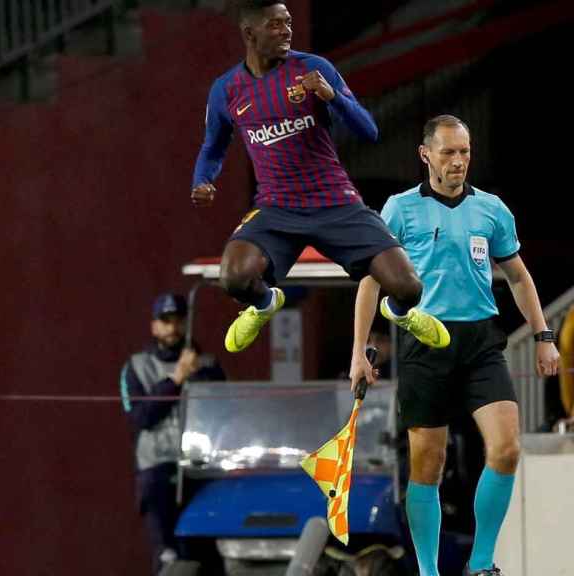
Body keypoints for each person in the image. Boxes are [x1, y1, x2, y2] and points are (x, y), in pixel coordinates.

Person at [350, 115, 559, 576]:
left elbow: (519, 277)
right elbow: (370, 282)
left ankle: (481, 563)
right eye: (448, 152)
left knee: (506, 449)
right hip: (424, 344)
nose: (459, 161)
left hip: (481, 341)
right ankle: (428, 570)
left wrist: (544, 335)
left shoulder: (492, 209)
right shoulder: (399, 210)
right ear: (426, 154)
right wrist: (358, 351)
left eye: (465, 152)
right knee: (429, 465)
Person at [190, 0, 450, 355]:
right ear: (250, 33)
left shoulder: (313, 68)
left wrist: (332, 98)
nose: (286, 31)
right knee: (233, 276)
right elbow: (212, 148)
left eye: (289, 22)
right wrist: (202, 180)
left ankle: (400, 313)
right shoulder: (227, 89)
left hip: (336, 203)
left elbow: (368, 131)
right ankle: (264, 303)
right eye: (275, 25)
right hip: (276, 209)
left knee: (409, 287)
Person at [120, 293, 225, 575]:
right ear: (154, 326)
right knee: (168, 555)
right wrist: (175, 379)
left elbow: (224, 415)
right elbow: (140, 418)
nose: (172, 328)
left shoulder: (208, 365)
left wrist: (195, 374)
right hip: (156, 469)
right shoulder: (136, 367)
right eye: (165, 321)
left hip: (198, 469)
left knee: (205, 553)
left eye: (178, 321)